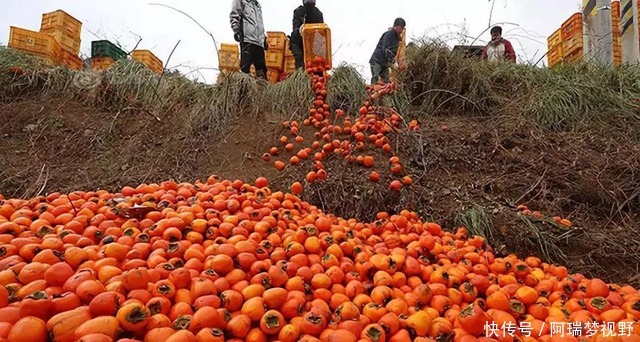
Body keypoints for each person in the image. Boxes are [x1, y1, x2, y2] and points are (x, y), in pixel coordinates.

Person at [230, 0, 269, 79]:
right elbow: (234, 15)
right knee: (245, 68)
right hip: (247, 40)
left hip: (259, 43)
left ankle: (262, 89)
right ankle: (243, 88)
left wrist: (263, 39)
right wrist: (236, 30)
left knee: (262, 71)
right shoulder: (241, 1)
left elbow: (260, 24)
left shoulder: (257, 5)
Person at [369, 18, 406, 85]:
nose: (402, 30)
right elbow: (385, 49)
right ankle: (372, 92)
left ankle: (383, 94)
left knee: (386, 82)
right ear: (396, 26)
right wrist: (393, 62)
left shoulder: (397, 38)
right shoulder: (389, 35)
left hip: (385, 63)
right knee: (375, 78)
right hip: (377, 60)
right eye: (401, 28)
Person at [290, 0, 324, 70]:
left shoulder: (318, 13)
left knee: (315, 64)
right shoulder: (298, 11)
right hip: (298, 41)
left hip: (313, 43)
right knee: (300, 62)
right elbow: (296, 27)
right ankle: (301, 77)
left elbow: (321, 30)